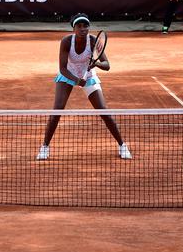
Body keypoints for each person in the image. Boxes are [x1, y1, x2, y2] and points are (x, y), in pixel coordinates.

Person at [36, 13, 132, 161]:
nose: (83, 29)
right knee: (57, 111)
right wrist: (76, 80)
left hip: (88, 75)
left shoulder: (93, 41)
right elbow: (62, 69)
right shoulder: (66, 41)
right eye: (79, 26)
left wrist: (97, 64)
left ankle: (122, 145)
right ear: (73, 29)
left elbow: (107, 65)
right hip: (68, 74)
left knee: (104, 112)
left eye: (85, 25)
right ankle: (45, 147)